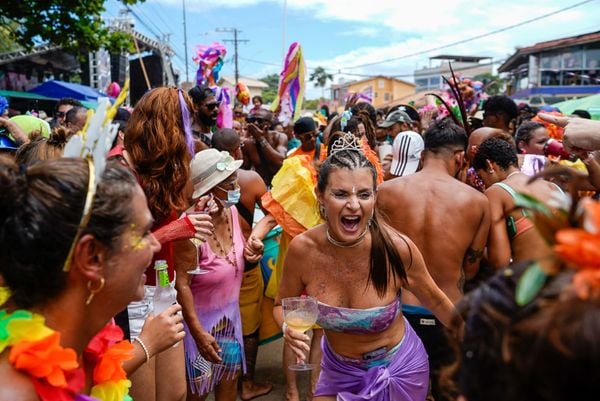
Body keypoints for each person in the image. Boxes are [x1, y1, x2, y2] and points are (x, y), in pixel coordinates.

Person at [275, 140, 456, 401]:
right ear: (321, 195)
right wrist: (287, 328)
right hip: (338, 371)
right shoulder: (303, 250)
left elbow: (436, 299)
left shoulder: (396, 249)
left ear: (375, 197)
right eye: (341, 194)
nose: (353, 205)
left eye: (363, 194)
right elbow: (281, 304)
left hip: (399, 370)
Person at [0, 156, 184, 399]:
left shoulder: (88, 343)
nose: (155, 245)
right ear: (92, 257)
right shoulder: (15, 393)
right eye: (142, 234)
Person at [377, 119, 490, 401]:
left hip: (397, 312)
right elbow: (471, 269)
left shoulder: (385, 192)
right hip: (448, 314)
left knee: (396, 393)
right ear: (460, 157)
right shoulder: (477, 202)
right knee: (448, 392)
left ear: (423, 155)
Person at [114, 87, 214, 401]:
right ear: (164, 128)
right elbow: (118, 255)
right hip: (132, 298)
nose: (189, 137)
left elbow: (160, 220)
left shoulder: (157, 166)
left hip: (163, 289)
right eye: (184, 127)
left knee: (174, 394)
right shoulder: (118, 171)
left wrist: (189, 216)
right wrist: (174, 229)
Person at [174, 149, 252, 401]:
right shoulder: (191, 227)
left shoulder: (232, 214)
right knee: (198, 393)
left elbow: (241, 253)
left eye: (234, 181)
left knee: (227, 393)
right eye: (229, 184)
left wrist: (253, 253)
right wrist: (198, 334)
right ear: (210, 190)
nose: (236, 188)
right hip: (200, 335)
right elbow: (181, 284)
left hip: (230, 327)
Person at [212, 128, 274, 400]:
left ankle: (216, 382)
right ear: (238, 151)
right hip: (244, 266)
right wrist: (255, 238)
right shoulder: (250, 179)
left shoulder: (201, 180)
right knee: (249, 327)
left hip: (213, 268)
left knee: (216, 325)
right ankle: (246, 384)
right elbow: (274, 214)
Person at [472, 138, 564, 269]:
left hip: (533, 281)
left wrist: (475, 249)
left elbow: (500, 261)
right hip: (570, 277)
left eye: (481, 177)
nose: (484, 185)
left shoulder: (496, 192)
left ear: (490, 165)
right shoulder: (553, 187)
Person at [242, 109, 287, 186]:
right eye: (253, 120)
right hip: (260, 186)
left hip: (278, 186)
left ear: (269, 124)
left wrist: (261, 139)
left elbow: (281, 162)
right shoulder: (248, 143)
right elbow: (245, 170)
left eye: (260, 120)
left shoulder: (279, 137)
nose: (255, 123)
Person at [189, 84, 219, 149]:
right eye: (211, 106)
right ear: (195, 107)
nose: (216, 109)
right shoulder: (194, 140)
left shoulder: (212, 132)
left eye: (217, 104)